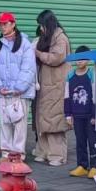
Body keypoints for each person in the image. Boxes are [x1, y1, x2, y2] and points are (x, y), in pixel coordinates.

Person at [0, 12, 36, 158]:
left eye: (5, 24)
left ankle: (18, 155)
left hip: (20, 93)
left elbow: (28, 68)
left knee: (19, 124)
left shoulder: (25, 44)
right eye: (0, 25)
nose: (2, 27)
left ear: (13, 24)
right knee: (5, 123)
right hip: (3, 92)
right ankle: (5, 154)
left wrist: (19, 88)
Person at [33, 10, 71, 166]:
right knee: (42, 120)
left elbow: (56, 58)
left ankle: (57, 155)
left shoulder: (60, 38)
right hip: (45, 85)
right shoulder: (47, 37)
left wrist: (38, 53)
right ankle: (43, 151)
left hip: (56, 85)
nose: (41, 29)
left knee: (54, 121)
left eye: (42, 25)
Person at [65, 45, 96, 178]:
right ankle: (82, 166)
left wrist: (95, 114)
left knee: (93, 141)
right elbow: (66, 96)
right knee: (80, 141)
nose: (80, 61)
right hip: (77, 115)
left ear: (88, 59)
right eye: (78, 58)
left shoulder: (92, 74)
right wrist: (68, 114)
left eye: (83, 58)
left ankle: (95, 166)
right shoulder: (70, 75)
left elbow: (95, 96)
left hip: (90, 115)